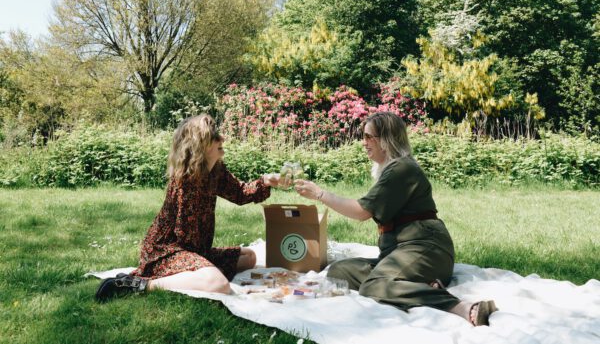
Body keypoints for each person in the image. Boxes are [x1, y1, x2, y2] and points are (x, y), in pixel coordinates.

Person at [293, 112, 497, 326]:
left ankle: (461, 307)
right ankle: (422, 286)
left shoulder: (402, 168)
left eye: (369, 136)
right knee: (339, 271)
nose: (364, 143)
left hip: (427, 249)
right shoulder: (391, 169)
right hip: (400, 253)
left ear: (387, 139)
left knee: (373, 286)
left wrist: (320, 194)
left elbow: (361, 211)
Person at [95, 114, 280, 301]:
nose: (222, 139)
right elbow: (184, 235)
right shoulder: (186, 180)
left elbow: (240, 193)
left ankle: (194, 276)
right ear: (200, 144)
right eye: (215, 137)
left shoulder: (216, 170)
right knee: (218, 284)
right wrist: (205, 267)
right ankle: (139, 284)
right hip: (167, 250)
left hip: (195, 249)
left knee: (249, 257)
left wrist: (265, 182)